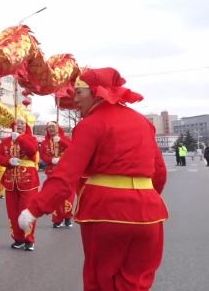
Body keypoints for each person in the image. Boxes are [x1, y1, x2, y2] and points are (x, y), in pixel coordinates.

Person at [19, 67, 168, 291]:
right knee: (136, 283)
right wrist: (144, 201)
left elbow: (66, 174)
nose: (74, 98)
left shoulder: (91, 124)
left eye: (79, 92)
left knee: (101, 281)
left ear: (97, 92)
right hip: (149, 215)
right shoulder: (142, 122)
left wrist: (35, 209)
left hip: (106, 213)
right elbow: (159, 172)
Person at [0, 117, 39, 251]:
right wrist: (8, 161)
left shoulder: (31, 138)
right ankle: (18, 239)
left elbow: (32, 150)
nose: (19, 125)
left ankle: (29, 239)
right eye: (16, 123)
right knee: (12, 213)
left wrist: (20, 138)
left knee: (27, 211)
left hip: (28, 181)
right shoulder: (6, 141)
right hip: (10, 181)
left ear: (27, 126)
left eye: (22, 123)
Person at [39, 121, 73, 228]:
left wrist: (61, 141)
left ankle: (68, 216)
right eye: (49, 127)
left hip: (66, 171)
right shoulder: (45, 143)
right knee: (54, 196)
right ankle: (57, 219)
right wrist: (51, 160)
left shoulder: (65, 138)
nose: (51, 129)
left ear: (58, 128)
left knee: (67, 195)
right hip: (51, 172)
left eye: (53, 127)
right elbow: (43, 156)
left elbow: (72, 149)